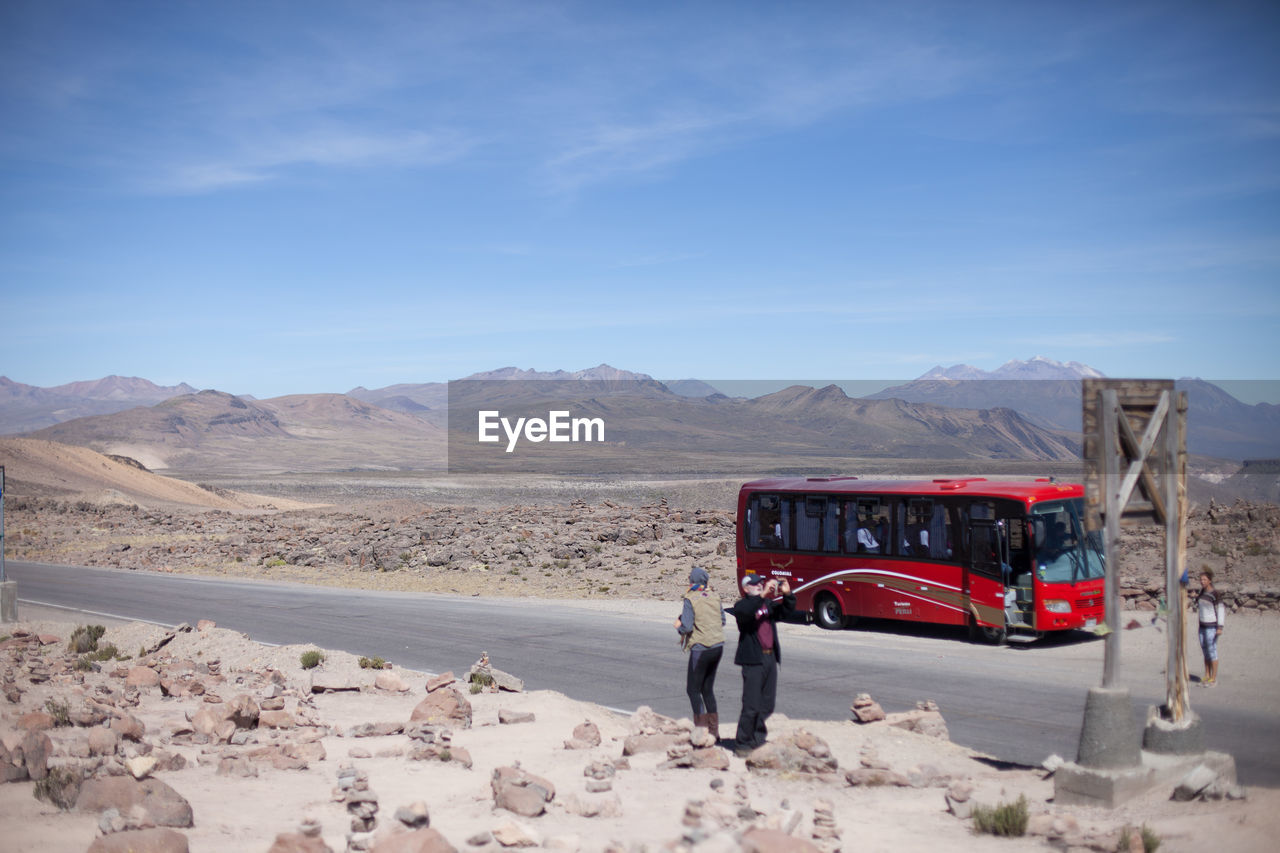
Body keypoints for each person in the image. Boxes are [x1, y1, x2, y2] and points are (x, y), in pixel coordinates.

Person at [730, 573, 796, 757]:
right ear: (745, 588)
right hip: (753, 660)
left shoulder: (766, 604)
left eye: (760, 582)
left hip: (769, 658)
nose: (759, 585)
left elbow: (785, 612)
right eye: (754, 584)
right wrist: (763, 595)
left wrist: (788, 594)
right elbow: (746, 613)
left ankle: (757, 740)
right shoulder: (742, 606)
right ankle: (743, 743)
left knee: (767, 704)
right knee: (751, 704)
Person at [673, 566, 725, 738]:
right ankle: (714, 731)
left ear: (692, 580)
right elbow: (722, 620)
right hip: (718, 646)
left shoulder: (690, 597)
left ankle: (701, 730)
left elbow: (687, 626)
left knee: (693, 690)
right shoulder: (715, 596)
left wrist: (679, 627)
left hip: (700, 647)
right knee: (707, 689)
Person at [1195, 566, 1225, 686]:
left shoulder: (1215, 594)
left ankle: (1213, 677)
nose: (1202, 582)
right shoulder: (1202, 592)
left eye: (1204, 580)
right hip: (1202, 625)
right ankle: (1207, 675)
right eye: (1201, 580)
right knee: (1205, 650)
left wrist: (1220, 627)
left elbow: (1221, 609)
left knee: (1212, 650)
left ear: (1209, 580)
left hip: (1212, 626)